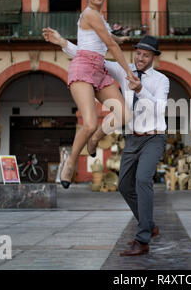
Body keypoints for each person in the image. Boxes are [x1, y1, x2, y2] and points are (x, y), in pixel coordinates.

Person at [47, 31, 169, 256]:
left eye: (146, 55)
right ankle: (149, 225)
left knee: (143, 180)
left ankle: (142, 240)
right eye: (138, 54)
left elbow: (160, 108)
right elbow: (94, 58)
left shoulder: (162, 80)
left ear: (153, 57)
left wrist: (141, 91)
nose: (140, 59)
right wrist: (63, 43)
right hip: (133, 139)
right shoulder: (124, 71)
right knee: (123, 186)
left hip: (154, 137)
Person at [43, 0, 134, 189]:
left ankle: (94, 140)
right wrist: (128, 72)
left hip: (99, 70)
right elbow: (109, 45)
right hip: (83, 68)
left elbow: (101, 41)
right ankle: (70, 162)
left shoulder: (101, 20)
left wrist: (118, 38)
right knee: (90, 122)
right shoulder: (90, 14)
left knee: (124, 114)